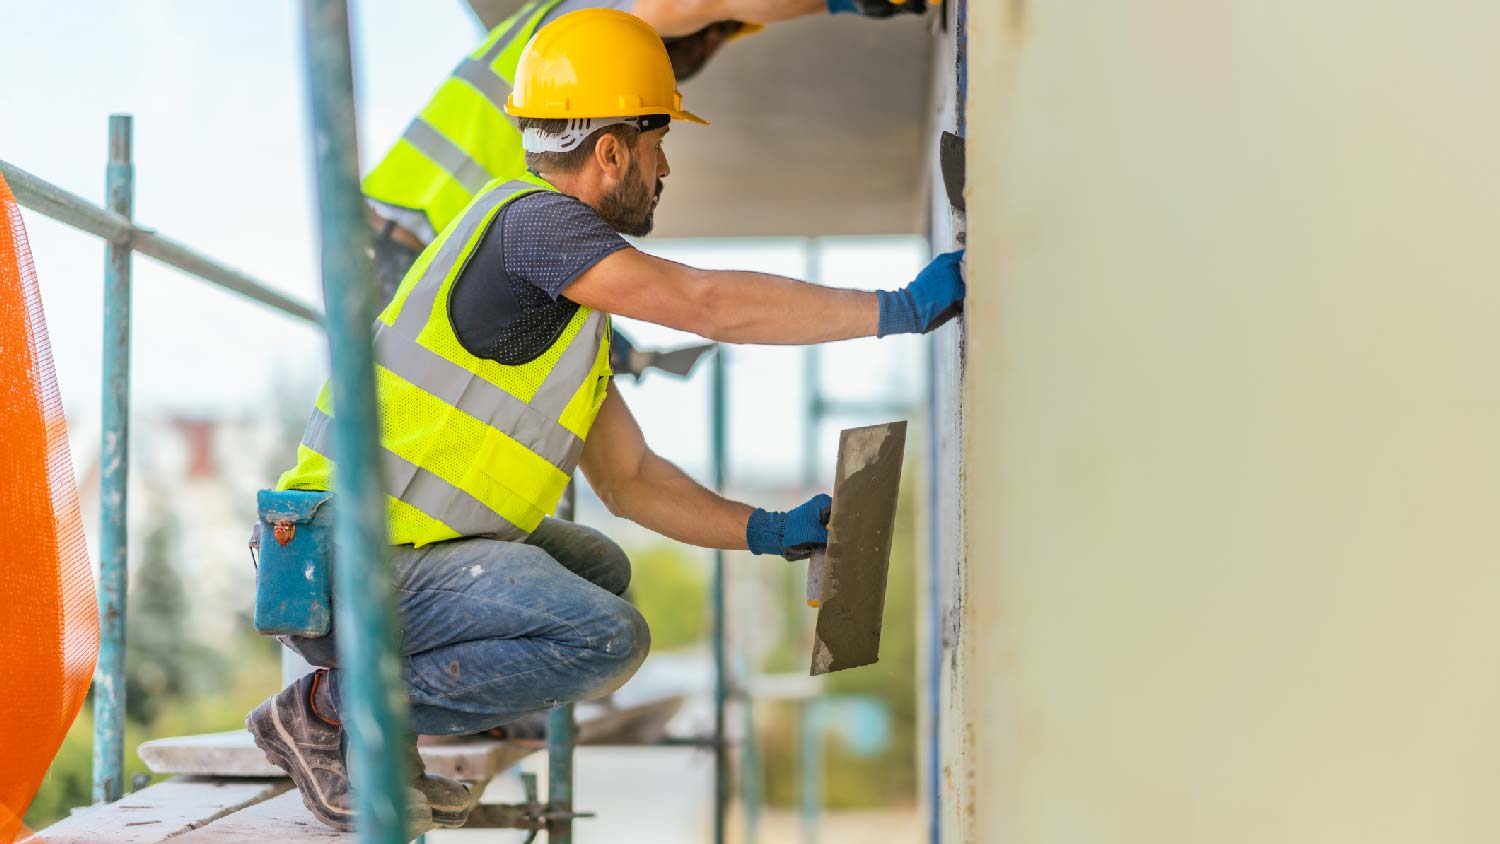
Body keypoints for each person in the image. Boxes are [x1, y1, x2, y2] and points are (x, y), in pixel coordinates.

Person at [247, 8, 963, 833]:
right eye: (658, 146)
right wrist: (895, 309)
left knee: (598, 571)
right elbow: (704, 303)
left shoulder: (560, 301)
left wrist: (765, 529)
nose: (664, 170)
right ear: (612, 149)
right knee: (605, 638)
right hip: (346, 564)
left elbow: (630, 480)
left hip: (387, 555)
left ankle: (376, 733)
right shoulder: (533, 226)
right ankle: (330, 714)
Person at [363, 0, 926, 301]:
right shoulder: (591, 36)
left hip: (412, 243)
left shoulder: (563, 61)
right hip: (397, 245)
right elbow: (691, 3)